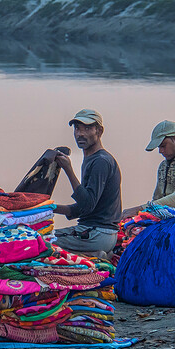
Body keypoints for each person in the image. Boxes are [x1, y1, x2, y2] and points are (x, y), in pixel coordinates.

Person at [52, 109, 123, 255]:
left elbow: (87, 204)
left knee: (40, 240)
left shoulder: (101, 161)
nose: (80, 134)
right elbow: (82, 208)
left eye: (88, 128)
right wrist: (46, 208)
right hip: (99, 234)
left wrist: (68, 170)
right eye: (77, 128)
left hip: (97, 233)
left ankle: (94, 252)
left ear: (99, 131)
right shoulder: (92, 159)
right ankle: (92, 255)